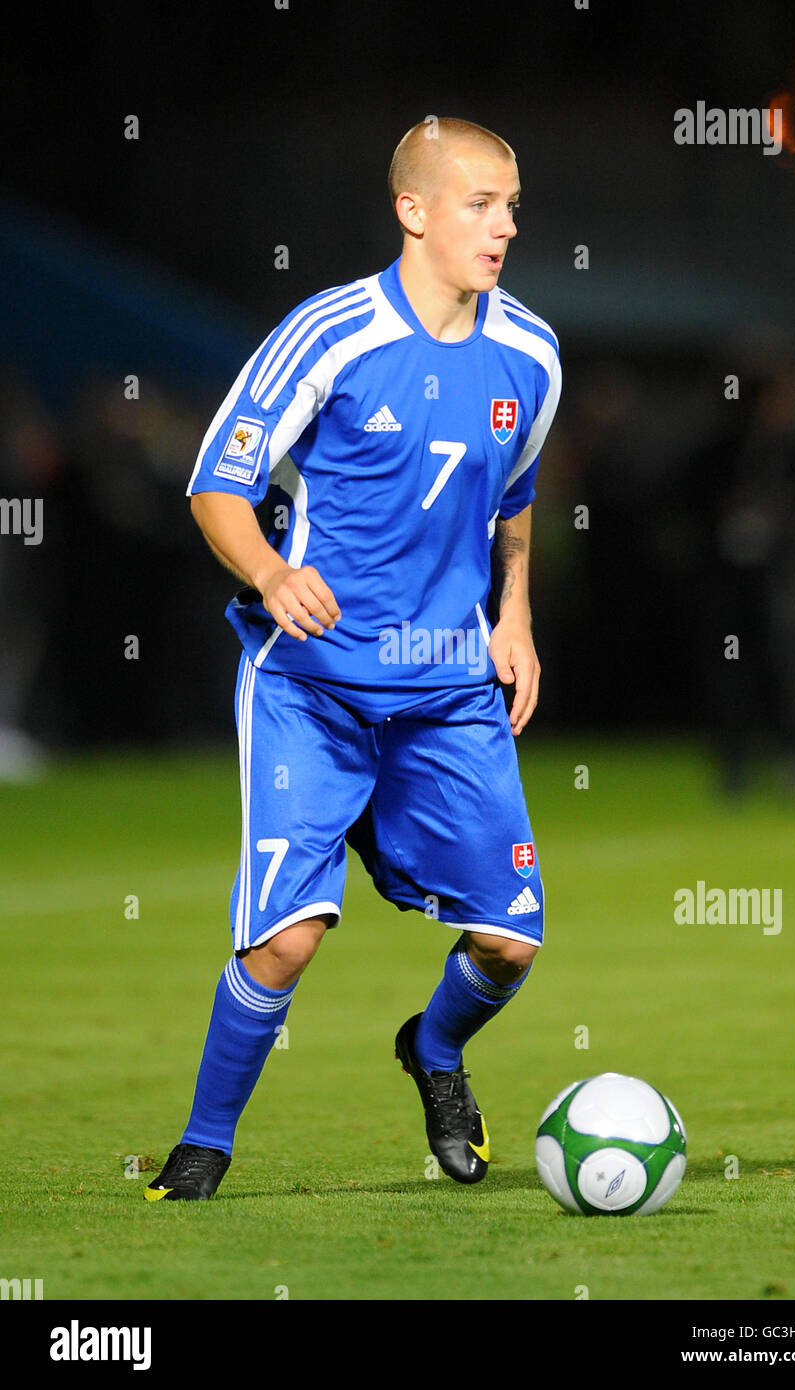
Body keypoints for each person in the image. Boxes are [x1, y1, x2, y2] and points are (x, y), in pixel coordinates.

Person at [145, 116, 561, 1201]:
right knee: (287, 941)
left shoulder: (530, 353)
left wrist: (512, 616)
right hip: (312, 687)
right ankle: (203, 1144)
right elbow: (214, 483)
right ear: (412, 211)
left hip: (446, 692)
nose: (504, 227)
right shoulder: (327, 333)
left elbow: (510, 498)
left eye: (511, 205)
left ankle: (431, 1049)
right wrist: (270, 575)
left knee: (510, 942)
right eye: (480, 204)